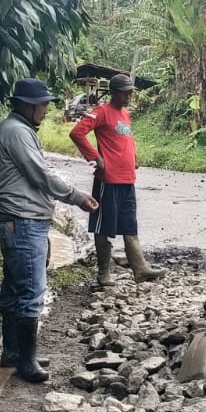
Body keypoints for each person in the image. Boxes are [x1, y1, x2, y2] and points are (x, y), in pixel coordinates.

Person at [0, 78, 97, 383]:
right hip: (23, 221)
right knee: (30, 290)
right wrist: (75, 196)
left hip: (22, 220)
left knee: (15, 287)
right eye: (43, 105)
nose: (46, 110)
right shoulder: (17, 132)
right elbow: (41, 174)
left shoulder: (18, 130)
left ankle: (14, 352)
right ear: (28, 104)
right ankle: (25, 362)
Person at [69, 73, 163, 287]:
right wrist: (95, 157)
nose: (129, 96)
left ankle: (140, 269)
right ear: (113, 92)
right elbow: (77, 133)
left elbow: (126, 140)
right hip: (108, 181)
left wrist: (133, 158)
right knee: (104, 227)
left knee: (130, 225)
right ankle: (104, 274)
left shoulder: (126, 115)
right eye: (125, 92)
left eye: (130, 92)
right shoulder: (101, 112)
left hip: (127, 179)